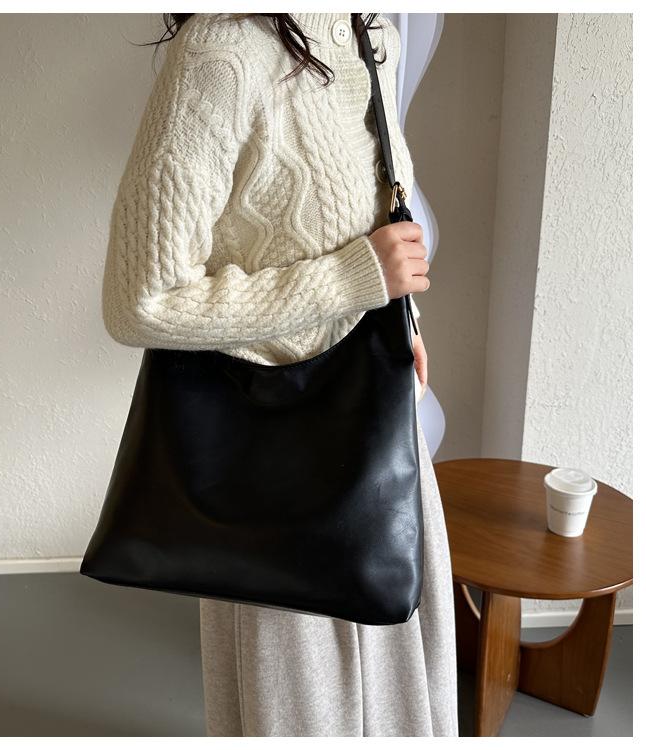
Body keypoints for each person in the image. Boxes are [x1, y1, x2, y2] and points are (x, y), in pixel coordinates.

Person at [101, 11, 458, 737]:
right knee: (305, 710)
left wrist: (404, 323)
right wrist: (354, 279)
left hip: (380, 415)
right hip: (274, 465)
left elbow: (374, 215)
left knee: (403, 689)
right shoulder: (221, 55)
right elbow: (139, 301)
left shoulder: (370, 30)